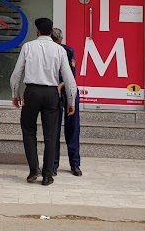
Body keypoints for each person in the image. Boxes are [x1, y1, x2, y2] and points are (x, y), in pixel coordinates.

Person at [10, 17, 77, 186]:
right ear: (51, 31)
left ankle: (34, 170)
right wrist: (71, 101)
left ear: (38, 31)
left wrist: (15, 94)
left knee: (28, 130)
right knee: (51, 134)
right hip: (51, 93)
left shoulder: (28, 47)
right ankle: (47, 175)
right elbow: (69, 79)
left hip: (32, 92)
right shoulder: (59, 50)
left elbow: (16, 74)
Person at [51, 28, 82, 177]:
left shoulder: (68, 51)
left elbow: (72, 75)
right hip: (53, 92)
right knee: (54, 129)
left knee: (73, 128)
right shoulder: (48, 52)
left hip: (68, 90)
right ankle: (53, 165)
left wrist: (62, 84)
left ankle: (75, 164)